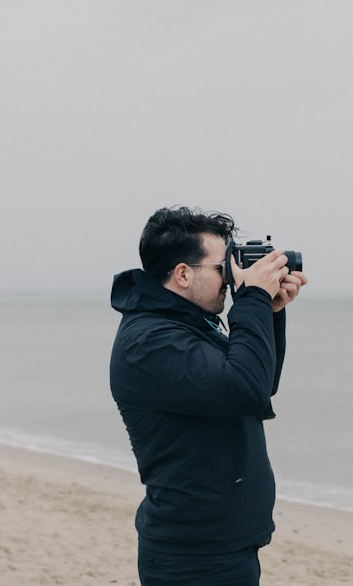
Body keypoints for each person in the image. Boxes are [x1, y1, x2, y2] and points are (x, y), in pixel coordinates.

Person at [109, 206, 308, 586]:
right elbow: (245, 390)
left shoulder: (183, 325)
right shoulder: (150, 341)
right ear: (183, 274)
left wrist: (268, 311)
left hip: (217, 548)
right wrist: (250, 298)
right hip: (194, 558)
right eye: (223, 268)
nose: (231, 278)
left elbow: (260, 384)